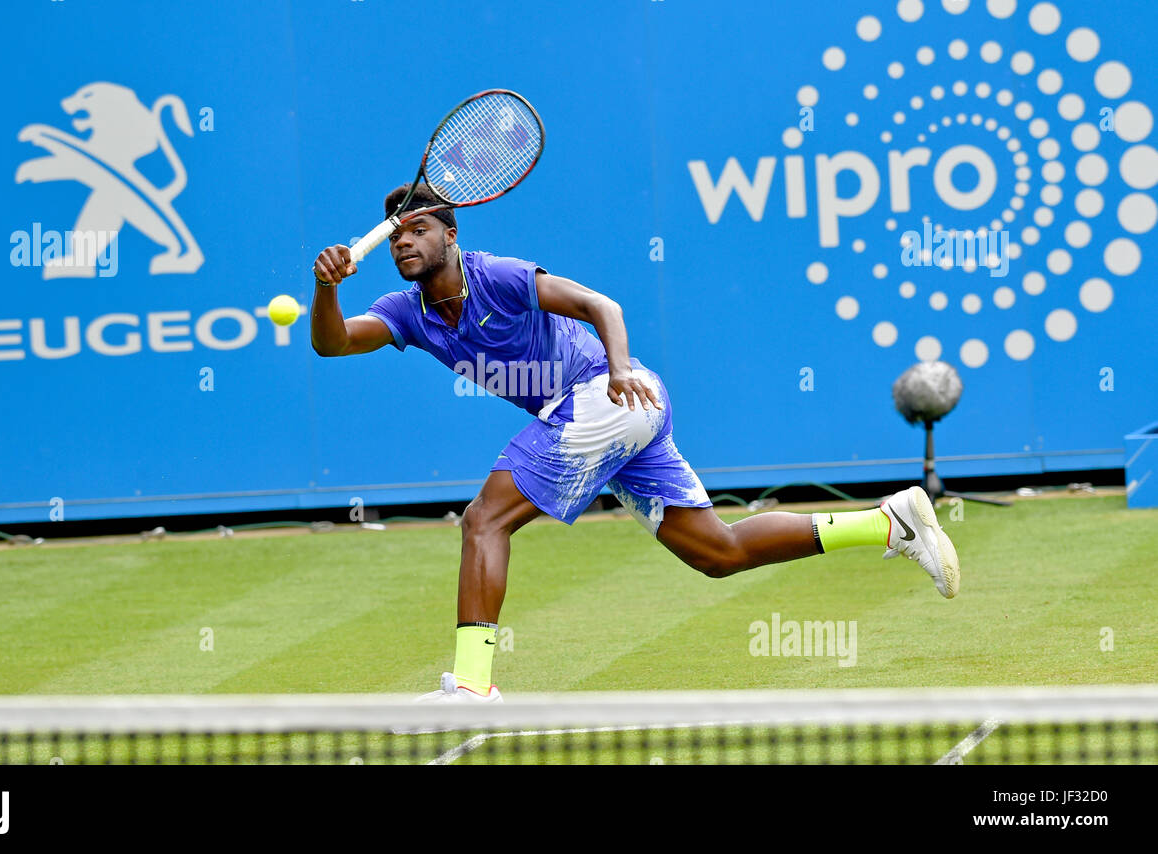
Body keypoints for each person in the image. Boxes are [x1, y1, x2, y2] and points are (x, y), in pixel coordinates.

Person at [310, 185, 960, 702]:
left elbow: (602, 306)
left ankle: (475, 687)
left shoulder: (499, 276)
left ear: (451, 235)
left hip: (609, 394)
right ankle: (889, 524)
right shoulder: (405, 313)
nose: (405, 242)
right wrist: (326, 287)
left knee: (486, 518)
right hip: (612, 417)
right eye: (396, 235)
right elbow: (333, 342)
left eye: (419, 228)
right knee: (717, 552)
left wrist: (618, 368)